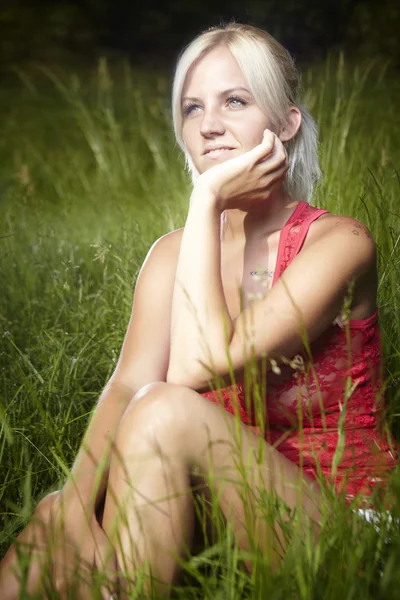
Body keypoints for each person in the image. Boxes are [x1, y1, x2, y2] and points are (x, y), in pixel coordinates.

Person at [0, 21, 397, 600]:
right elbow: (126, 386)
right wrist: (74, 512)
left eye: (235, 101)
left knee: (164, 409)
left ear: (286, 123)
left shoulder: (340, 243)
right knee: (51, 524)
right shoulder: (171, 255)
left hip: (338, 527)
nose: (209, 125)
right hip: (223, 516)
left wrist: (206, 199)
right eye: (191, 108)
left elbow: (195, 369)